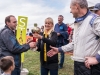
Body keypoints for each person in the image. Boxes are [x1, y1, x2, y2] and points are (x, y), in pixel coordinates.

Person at [47, 0, 100, 75]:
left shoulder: (94, 20)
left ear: (76, 6)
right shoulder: (78, 22)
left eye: (71, 8)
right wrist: (59, 49)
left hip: (90, 67)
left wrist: (97, 58)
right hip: (78, 64)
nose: (70, 11)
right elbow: (74, 43)